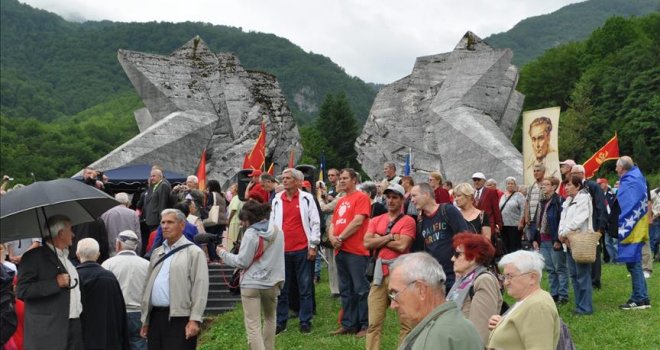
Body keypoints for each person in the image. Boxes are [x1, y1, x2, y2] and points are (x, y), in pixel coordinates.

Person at [218, 200, 284, 350]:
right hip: (272, 282)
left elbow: (242, 261)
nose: (242, 224)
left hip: (251, 283)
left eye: (243, 221)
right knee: (270, 318)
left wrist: (223, 253)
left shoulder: (251, 233)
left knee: (253, 324)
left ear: (248, 219)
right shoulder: (278, 231)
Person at [140, 209, 209, 350]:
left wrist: (194, 319)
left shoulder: (194, 252)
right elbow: (148, 285)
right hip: (155, 317)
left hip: (180, 318)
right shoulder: (157, 252)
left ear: (182, 225)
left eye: (170, 222)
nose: (165, 226)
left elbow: (200, 287)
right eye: (163, 222)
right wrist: (145, 320)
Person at [390, 252, 483, 350]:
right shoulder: (460, 326)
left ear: (421, 290)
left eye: (395, 293)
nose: (393, 305)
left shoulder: (436, 338)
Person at [17, 215, 84, 350]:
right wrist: (55, 283)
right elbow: (22, 290)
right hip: (49, 332)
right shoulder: (33, 257)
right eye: (70, 230)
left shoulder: (66, 257)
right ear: (60, 233)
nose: (73, 234)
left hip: (73, 326)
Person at [363, 183, 416, 350]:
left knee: (407, 324)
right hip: (379, 275)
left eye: (395, 197)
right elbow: (366, 243)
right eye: (388, 197)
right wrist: (392, 237)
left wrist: (380, 237)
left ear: (402, 200)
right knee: (373, 323)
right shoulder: (376, 219)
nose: (390, 200)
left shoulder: (408, 221)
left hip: (401, 275)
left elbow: (403, 246)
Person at [269, 168, 321, 334]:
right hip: (281, 250)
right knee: (282, 289)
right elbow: (272, 223)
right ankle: (281, 321)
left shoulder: (307, 199)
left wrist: (313, 245)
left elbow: (315, 222)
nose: (284, 181)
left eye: (288, 178)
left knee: (305, 287)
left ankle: (305, 320)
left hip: (301, 249)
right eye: (283, 178)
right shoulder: (277, 199)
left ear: (298, 181)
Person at [328, 168, 371, 336]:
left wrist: (340, 237)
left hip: (356, 250)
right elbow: (333, 222)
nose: (341, 181)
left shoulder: (361, 197)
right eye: (340, 178)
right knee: (345, 289)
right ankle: (348, 323)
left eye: (345, 178)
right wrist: (332, 237)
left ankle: (365, 324)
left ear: (354, 180)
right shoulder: (340, 201)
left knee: (360, 288)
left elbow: (358, 221)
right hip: (340, 250)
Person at [487, 250, 560, 349]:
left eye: (510, 276)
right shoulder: (528, 299)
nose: (505, 283)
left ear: (532, 278)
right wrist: (502, 324)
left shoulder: (537, 306)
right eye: (504, 277)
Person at [410, 183, 469, 291]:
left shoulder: (447, 210)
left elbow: (465, 238)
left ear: (426, 195)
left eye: (414, 196)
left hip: (454, 274)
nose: (412, 200)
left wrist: (461, 267)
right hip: (435, 277)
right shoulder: (421, 222)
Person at [446, 233, 502, 345]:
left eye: (457, 254)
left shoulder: (484, 280)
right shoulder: (463, 279)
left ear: (473, 257)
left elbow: (480, 331)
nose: (452, 258)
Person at [75, 238, 129, 350]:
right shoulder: (109, 277)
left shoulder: (74, 277)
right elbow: (120, 310)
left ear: (77, 254)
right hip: (108, 337)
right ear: (98, 255)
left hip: (82, 338)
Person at [102, 230, 150, 350]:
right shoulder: (147, 265)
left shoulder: (108, 264)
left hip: (116, 313)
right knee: (139, 344)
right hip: (140, 314)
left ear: (118, 244)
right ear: (136, 246)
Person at [615, 156, 651, 310]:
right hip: (636, 226)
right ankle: (643, 297)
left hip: (632, 228)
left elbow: (628, 204)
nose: (615, 169)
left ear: (622, 168)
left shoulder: (630, 181)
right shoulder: (636, 177)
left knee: (634, 263)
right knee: (635, 263)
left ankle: (639, 298)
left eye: (617, 166)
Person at [558, 175, 594, 315]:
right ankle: (579, 305)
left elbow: (580, 218)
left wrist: (565, 233)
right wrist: (561, 234)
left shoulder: (584, 198)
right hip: (568, 242)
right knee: (573, 275)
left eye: (569, 185)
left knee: (582, 274)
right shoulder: (567, 201)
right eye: (565, 185)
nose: (566, 188)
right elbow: (563, 220)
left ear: (578, 186)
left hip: (580, 241)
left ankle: (586, 307)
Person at [569, 164, 608, 289]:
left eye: (574, 173)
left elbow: (600, 206)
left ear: (582, 173)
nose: (572, 175)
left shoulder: (592, 186)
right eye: (571, 173)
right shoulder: (575, 188)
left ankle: (595, 280)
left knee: (594, 253)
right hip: (580, 226)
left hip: (593, 225)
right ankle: (585, 278)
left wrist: (600, 226)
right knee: (583, 251)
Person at [531, 177, 568, 304]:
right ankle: (554, 294)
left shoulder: (559, 201)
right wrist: (535, 238)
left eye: (546, 185)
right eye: (542, 185)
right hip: (543, 239)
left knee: (560, 268)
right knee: (550, 269)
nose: (543, 187)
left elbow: (561, 222)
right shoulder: (542, 202)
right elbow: (537, 221)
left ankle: (563, 295)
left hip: (554, 239)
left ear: (553, 187)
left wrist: (558, 239)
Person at [101, 192, 142, 256]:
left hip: (111, 252)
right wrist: (138, 253)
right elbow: (137, 235)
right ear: (127, 202)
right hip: (129, 252)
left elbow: (103, 235)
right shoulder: (133, 214)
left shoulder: (105, 214)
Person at [524, 116, 560, 184]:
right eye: (534, 139)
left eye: (540, 138)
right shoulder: (529, 164)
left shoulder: (555, 164)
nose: (537, 145)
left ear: (548, 137)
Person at [471, 172, 503, 237]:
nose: (476, 182)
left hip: (489, 225)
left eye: (478, 180)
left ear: (484, 181)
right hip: (475, 226)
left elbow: (496, 209)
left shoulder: (491, 192)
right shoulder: (471, 193)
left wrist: (498, 224)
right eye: (474, 180)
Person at [499, 177, 525, 253]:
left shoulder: (519, 195)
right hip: (503, 225)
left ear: (515, 185)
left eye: (512, 184)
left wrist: (521, 222)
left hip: (515, 225)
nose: (510, 185)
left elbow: (524, 209)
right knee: (505, 245)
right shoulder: (503, 196)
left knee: (515, 246)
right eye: (508, 183)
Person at [521, 164, 546, 242]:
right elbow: (527, 202)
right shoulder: (532, 186)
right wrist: (526, 216)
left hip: (542, 220)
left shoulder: (546, 185)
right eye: (534, 171)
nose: (535, 173)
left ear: (543, 172)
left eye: (538, 171)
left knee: (541, 242)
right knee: (532, 242)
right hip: (531, 221)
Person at [226, 183, 244, 251]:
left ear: (236, 189)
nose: (230, 189)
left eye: (232, 188)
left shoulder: (237, 198)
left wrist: (229, 220)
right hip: (234, 221)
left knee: (233, 239)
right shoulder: (235, 198)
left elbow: (234, 210)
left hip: (234, 221)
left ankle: (232, 252)